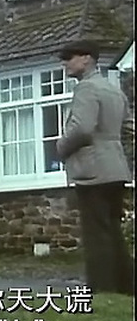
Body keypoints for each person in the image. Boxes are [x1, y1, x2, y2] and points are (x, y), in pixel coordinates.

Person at [56, 40, 134, 296]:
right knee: (112, 228)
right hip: (115, 167)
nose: (65, 63)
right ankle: (126, 285)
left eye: (70, 57)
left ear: (87, 58)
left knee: (96, 232)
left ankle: (101, 288)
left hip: (92, 169)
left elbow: (82, 128)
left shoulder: (86, 89)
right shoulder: (113, 90)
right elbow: (129, 126)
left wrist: (61, 147)